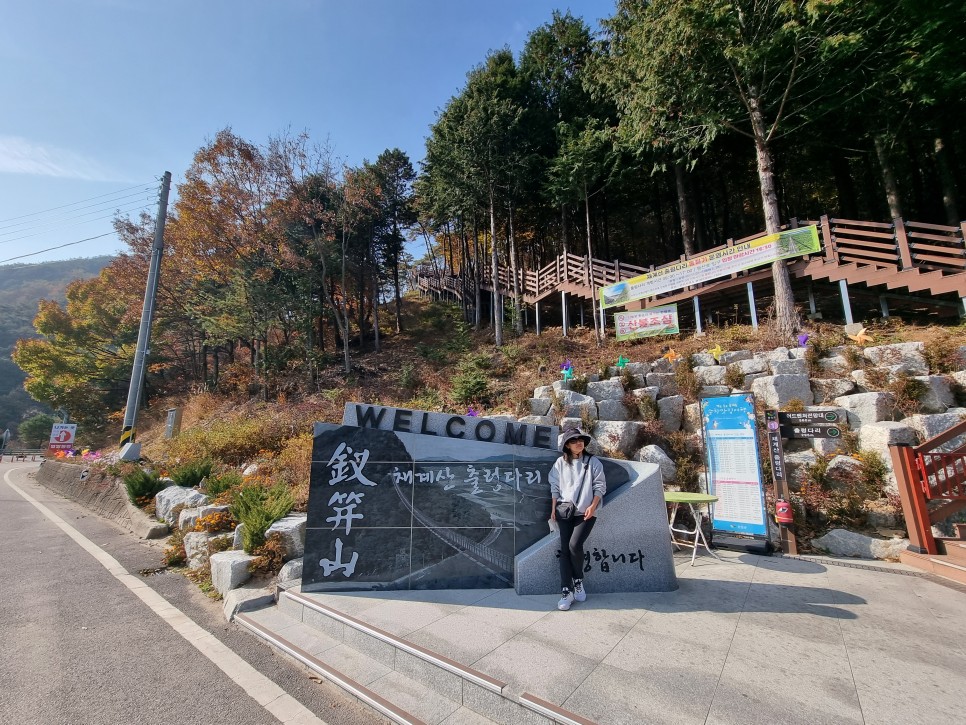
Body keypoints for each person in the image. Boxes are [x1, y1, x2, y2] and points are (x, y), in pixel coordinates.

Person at [549, 427, 606, 611]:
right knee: (564, 550)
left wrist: (593, 506)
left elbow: (600, 486)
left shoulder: (593, 462)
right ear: (566, 445)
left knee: (575, 546)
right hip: (564, 512)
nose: (578, 443)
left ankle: (578, 580)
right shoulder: (559, 463)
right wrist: (552, 510)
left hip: (586, 513)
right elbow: (554, 487)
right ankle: (566, 591)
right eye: (573, 441)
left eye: (580, 440)